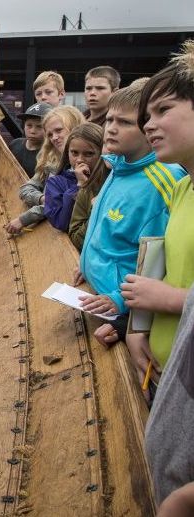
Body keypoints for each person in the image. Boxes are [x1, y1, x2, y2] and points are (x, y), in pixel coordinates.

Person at [74, 79, 184, 372]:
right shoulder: (119, 166)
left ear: (147, 132)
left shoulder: (162, 182)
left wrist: (122, 305)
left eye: (123, 122)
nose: (110, 128)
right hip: (97, 292)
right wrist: (89, 259)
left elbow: (158, 263)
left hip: (118, 308)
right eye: (109, 119)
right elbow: (110, 232)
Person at [132, 39, 194, 510]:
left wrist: (169, 301)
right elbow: (166, 265)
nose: (149, 124)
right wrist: (138, 328)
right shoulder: (184, 186)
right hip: (165, 369)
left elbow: (169, 289)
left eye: (163, 109)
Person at [4, 106, 84, 234]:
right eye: (50, 134)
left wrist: (24, 219)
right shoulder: (51, 160)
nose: (54, 137)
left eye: (59, 130)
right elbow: (26, 189)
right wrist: (42, 198)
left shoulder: (85, 163)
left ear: (75, 127)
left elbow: (59, 204)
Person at [43, 123, 105, 232]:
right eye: (74, 153)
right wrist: (79, 187)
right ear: (67, 153)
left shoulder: (110, 179)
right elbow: (61, 223)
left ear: (102, 153)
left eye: (89, 154)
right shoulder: (56, 183)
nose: (79, 160)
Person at [8, 102, 51, 178]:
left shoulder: (51, 154)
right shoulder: (15, 144)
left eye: (39, 126)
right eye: (29, 125)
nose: (32, 131)